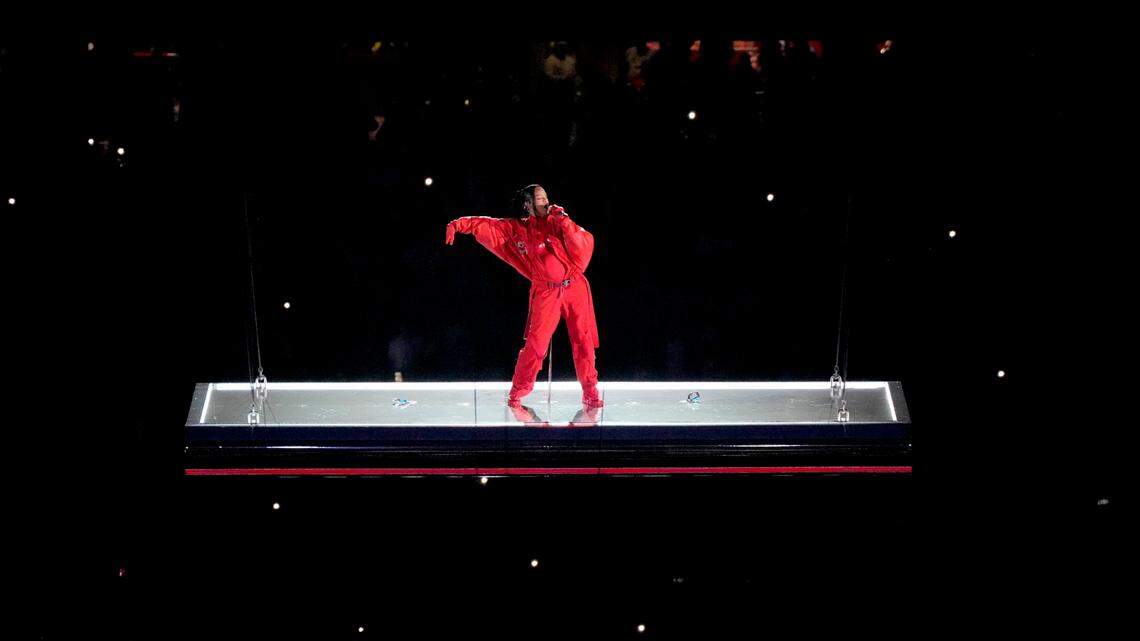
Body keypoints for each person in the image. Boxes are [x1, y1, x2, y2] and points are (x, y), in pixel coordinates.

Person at [445, 184, 603, 408]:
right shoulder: (518, 229)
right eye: (540, 198)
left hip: (574, 287)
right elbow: (488, 225)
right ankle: (518, 391)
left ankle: (591, 393)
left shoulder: (558, 221)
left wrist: (564, 221)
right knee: (536, 344)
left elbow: (582, 244)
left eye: (546, 197)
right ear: (528, 204)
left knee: (583, 341)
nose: (546, 202)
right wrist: (457, 224)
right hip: (546, 292)